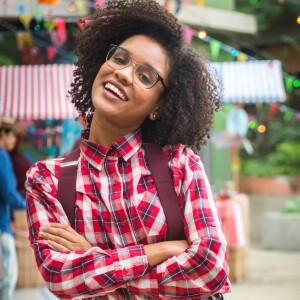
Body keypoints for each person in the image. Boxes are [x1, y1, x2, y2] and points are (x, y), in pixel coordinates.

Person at [25, 1, 231, 299]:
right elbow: (60, 276)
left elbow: (211, 267)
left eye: (145, 76)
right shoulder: (47, 180)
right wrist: (161, 250)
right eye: (120, 59)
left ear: (158, 107)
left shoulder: (180, 165)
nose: (123, 74)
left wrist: (93, 257)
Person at [0, 116, 26, 300]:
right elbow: (8, 191)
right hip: (1, 225)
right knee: (9, 275)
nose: (14, 140)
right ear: (3, 134)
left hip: (4, 221)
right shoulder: (1, 157)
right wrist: (29, 204)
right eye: (12, 136)